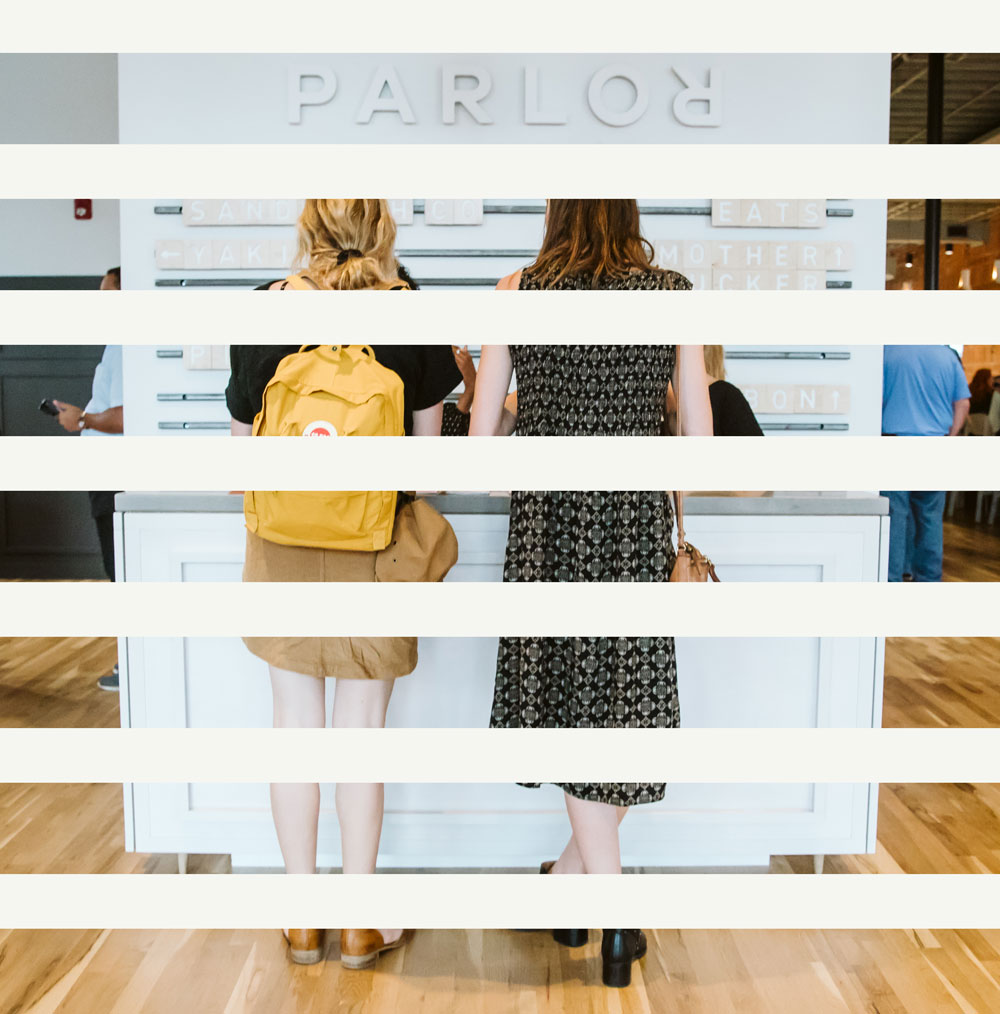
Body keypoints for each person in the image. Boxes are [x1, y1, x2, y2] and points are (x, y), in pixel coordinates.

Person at [469, 199, 713, 989]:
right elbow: (697, 443)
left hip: (550, 523)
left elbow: (481, 445)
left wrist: (529, 411)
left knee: (574, 707)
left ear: (558, 216)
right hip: (636, 518)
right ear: (627, 214)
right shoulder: (672, 293)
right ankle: (600, 907)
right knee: (626, 710)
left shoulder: (516, 293)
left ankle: (580, 892)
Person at [225, 200, 460, 971]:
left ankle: (301, 919)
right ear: (383, 233)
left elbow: (240, 468)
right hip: (378, 548)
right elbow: (430, 474)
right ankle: (360, 922)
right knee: (361, 735)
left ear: (307, 232)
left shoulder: (265, 309)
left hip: (281, 546)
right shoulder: (412, 316)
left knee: (294, 729)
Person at [51, 265, 123, 692]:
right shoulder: (116, 343)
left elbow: (126, 415)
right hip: (107, 474)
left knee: (120, 573)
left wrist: (84, 419)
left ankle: (128, 661)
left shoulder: (127, 346)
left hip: (116, 475)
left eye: (108, 292)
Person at [881, 345, 971, 583]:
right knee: (930, 516)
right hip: (935, 444)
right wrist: (950, 438)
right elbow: (962, 403)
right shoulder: (947, 356)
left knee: (894, 516)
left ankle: (891, 578)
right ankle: (929, 580)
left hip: (894, 442)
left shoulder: (887, 352)